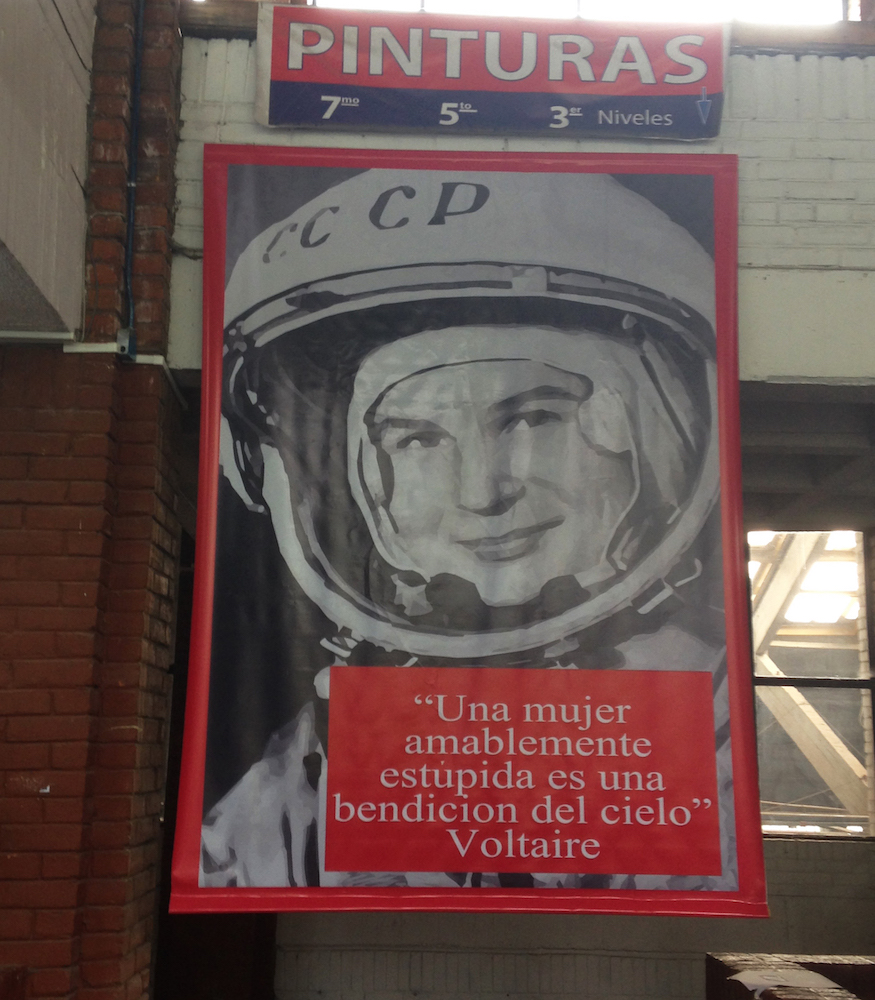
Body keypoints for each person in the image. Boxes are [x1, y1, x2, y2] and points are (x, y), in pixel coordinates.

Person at [200, 166, 736, 891]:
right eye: (417, 439)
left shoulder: (719, 729)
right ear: (362, 485)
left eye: (534, 418)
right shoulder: (297, 780)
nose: (482, 492)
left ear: (663, 435)